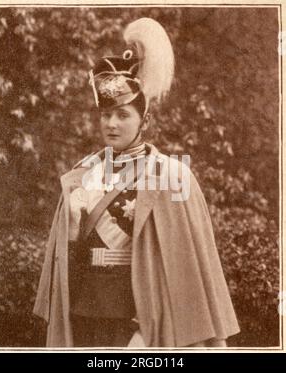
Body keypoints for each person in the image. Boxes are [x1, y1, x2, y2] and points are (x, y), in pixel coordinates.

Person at [33, 17, 240, 348]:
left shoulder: (173, 175)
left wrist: (149, 331)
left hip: (142, 319)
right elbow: (67, 259)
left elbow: (186, 270)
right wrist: (72, 229)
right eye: (106, 115)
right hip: (85, 312)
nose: (112, 124)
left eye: (123, 115)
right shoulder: (82, 173)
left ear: (145, 119)